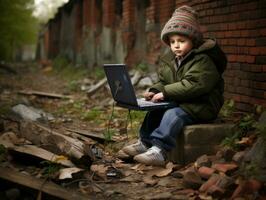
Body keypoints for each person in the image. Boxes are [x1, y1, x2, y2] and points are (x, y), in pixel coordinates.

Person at [121, 5, 227, 166]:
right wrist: (155, 90)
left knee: (173, 114)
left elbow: (195, 84)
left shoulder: (203, 60)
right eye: (172, 42)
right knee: (155, 111)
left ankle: (160, 150)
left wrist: (166, 93)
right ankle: (145, 143)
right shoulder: (172, 61)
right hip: (184, 101)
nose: (176, 46)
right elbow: (164, 81)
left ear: (193, 40)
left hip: (202, 104)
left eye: (181, 41)